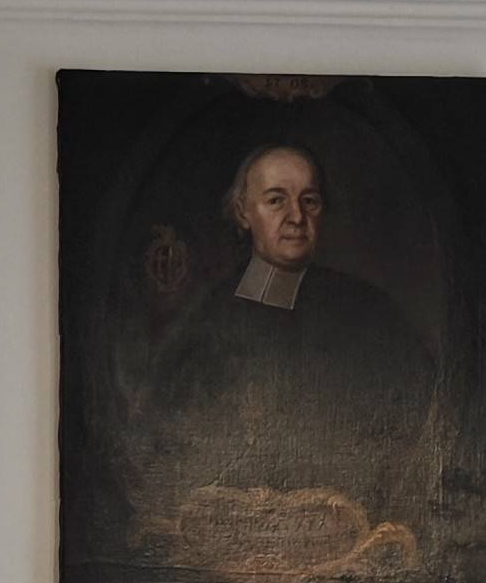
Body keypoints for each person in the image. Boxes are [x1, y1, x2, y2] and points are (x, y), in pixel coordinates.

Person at [141, 140, 432, 544]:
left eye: (309, 201)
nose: (296, 217)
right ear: (243, 212)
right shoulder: (206, 317)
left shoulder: (371, 314)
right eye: (276, 200)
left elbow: (412, 430)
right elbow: (164, 440)